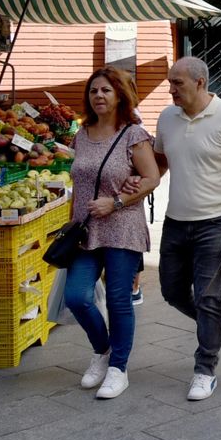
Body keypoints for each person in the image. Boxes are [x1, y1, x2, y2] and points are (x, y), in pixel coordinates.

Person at [143, 57, 221, 403]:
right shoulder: (167, 117)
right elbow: (161, 160)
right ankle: (212, 322)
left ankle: (205, 369)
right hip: (176, 220)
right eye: (170, 82)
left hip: (216, 223)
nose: (171, 89)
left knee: (208, 296)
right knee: (171, 291)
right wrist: (143, 180)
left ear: (199, 82)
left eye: (177, 83)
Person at [65, 67, 161, 401]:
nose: (99, 96)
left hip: (122, 225)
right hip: (86, 229)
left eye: (106, 90)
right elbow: (79, 181)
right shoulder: (82, 133)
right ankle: (103, 350)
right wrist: (70, 220)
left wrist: (116, 201)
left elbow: (151, 178)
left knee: (119, 299)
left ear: (119, 94)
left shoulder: (132, 134)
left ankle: (119, 369)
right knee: (76, 296)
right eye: (94, 91)